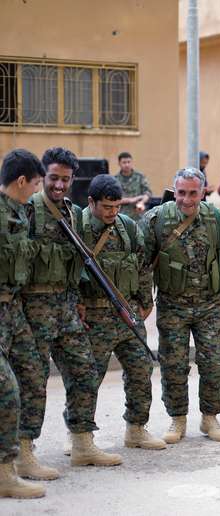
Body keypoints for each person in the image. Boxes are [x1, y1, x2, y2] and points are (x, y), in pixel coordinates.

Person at [23, 147, 122, 472]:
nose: (60, 184)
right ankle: (23, 452)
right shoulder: (27, 211)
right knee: (33, 381)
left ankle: (82, 442)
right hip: (33, 309)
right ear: (42, 177)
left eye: (66, 179)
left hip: (66, 307)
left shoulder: (73, 213)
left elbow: (76, 263)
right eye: (53, 178)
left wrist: (78, 299)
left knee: (85, 371)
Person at [141, 168, 220, 444]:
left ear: (203, 191)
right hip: (172, 305)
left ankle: (210, 417)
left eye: (192, 193)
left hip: (210, 306)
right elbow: (142, 264)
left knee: (213, 364)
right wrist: (143, 300)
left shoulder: (218, 221)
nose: (186, 199)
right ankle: (177, 418)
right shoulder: (156, 220)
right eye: (181, 193)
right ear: (174, 191)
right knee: (173, 365)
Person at [77, 175, 166, 451]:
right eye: (106, 207)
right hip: (93, 317)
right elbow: (69, 272)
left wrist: (145, 300)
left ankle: (136, 429)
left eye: (116, 207)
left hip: (127, 314)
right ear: (91, 202)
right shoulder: (76, 227)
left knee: (141, 369)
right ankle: (81, 437)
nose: (112, 213)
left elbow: (140, 266)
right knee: (87, 377)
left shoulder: (127, 227)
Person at [0, 149, 47, 498]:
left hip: (13, 311)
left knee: (33, 376)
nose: (36, 190)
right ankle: (3, 472)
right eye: (34, 184)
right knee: (7, 391)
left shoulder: (21, 211)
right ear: (20, 181)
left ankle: (25, 455)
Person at [115, 151, 152, 221]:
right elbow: (115, 199)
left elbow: (148, 193)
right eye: (124, 162)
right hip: (121, 216)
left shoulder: (140, 177)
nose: (127, 165)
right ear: (119, 163)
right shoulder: (115, 180)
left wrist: (142, 202)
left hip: (138, 216)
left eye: (129, 162)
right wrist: (133, 199)